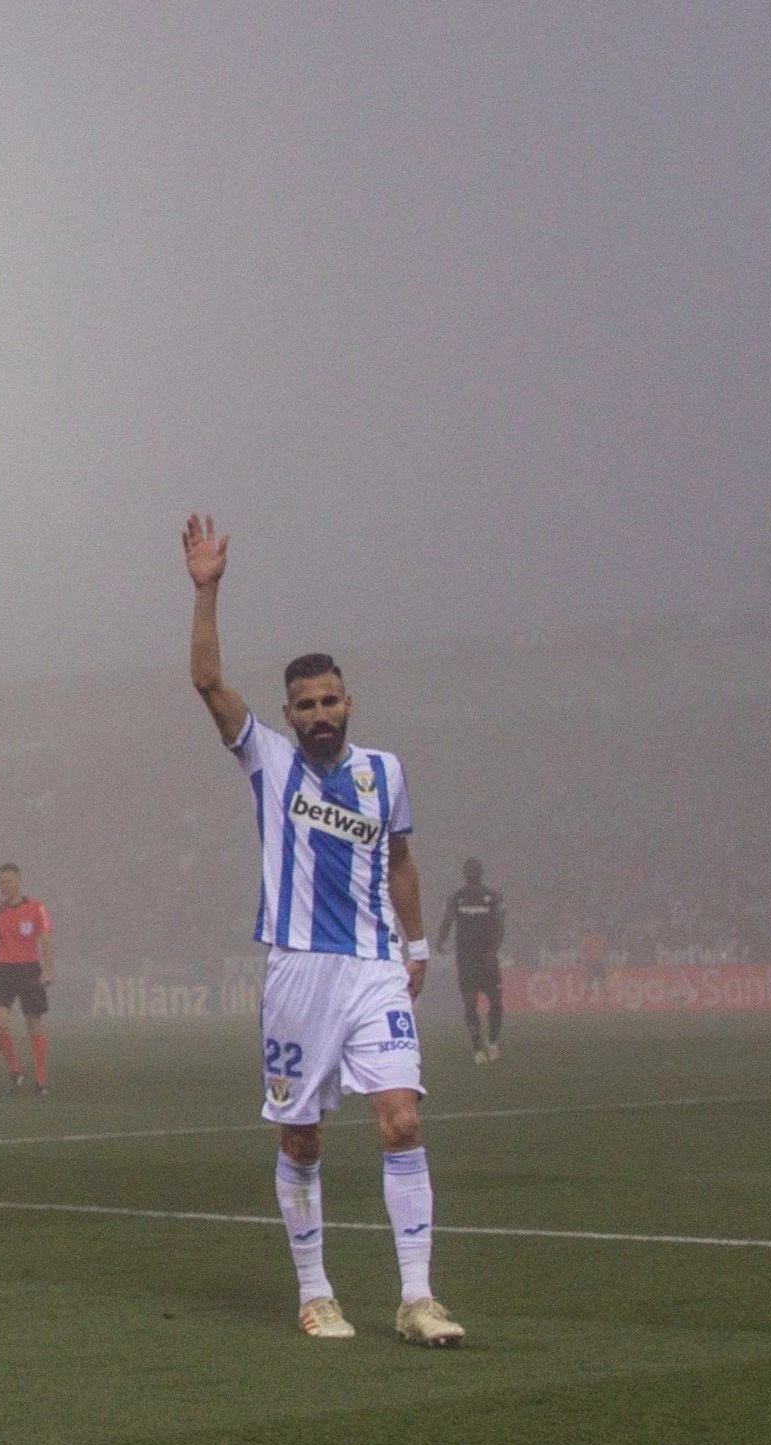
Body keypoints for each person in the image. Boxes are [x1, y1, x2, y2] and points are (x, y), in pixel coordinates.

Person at [183, 514, 461, 1350]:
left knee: (401, 1119)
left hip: (375, 966)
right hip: (300, 971)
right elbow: (204, 682)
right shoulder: (268, 759)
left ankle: (416, 1298)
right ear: (288, 713)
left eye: (329, 700)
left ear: (348, 702)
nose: (317, 713)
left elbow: (401, 861)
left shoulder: (385, 773)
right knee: (299, 1135)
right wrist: (206, 590)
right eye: (303, 704)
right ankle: (315, 1292)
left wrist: (415, 948)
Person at [0, 863, 56, 1093]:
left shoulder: (37, 908)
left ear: (19, 880)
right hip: (5, 970)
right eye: (1, 883)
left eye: (8, 881)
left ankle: (40, 1082)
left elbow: (46, 940)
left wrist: (48, 970)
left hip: (30, 969)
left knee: (34, 1025)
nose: (5, 886)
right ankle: (16, 1071)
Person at [432, 859, 508, 1061]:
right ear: (465, 873)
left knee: (496, 1002)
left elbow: (500, 926)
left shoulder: (491, 897)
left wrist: (494, 949)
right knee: (469, 1002)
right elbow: (447, 921)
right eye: (469, 869)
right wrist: (440, 940)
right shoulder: (457, 898)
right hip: (466, 959)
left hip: (487, 958)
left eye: (475, 869)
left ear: (480, 872)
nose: (473, 872)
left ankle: (492, 1042)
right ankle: (477, 1048)